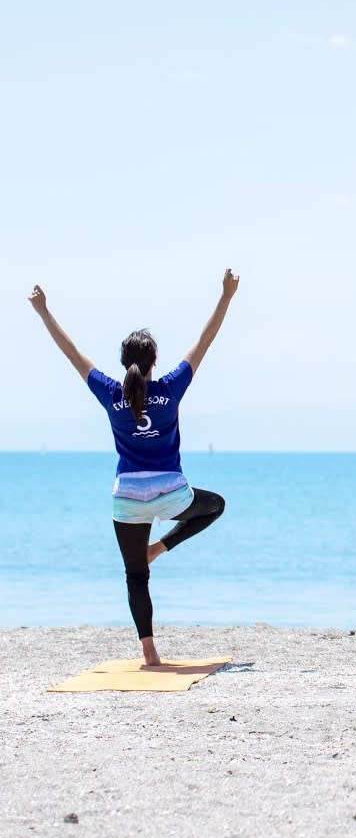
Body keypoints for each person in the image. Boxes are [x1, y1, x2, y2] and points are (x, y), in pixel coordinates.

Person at [29, 269, 240, 666]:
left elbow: (71, 352)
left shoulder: (110, 393)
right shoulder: (171, 387)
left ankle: (150, 653)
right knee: (215, 505)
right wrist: (226, 295)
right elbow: (205, 341)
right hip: (173, 495)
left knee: (135, 576)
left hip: (127, 499)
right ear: (155, 361)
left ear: (123, 362)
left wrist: (43, 311)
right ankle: (160, 548)